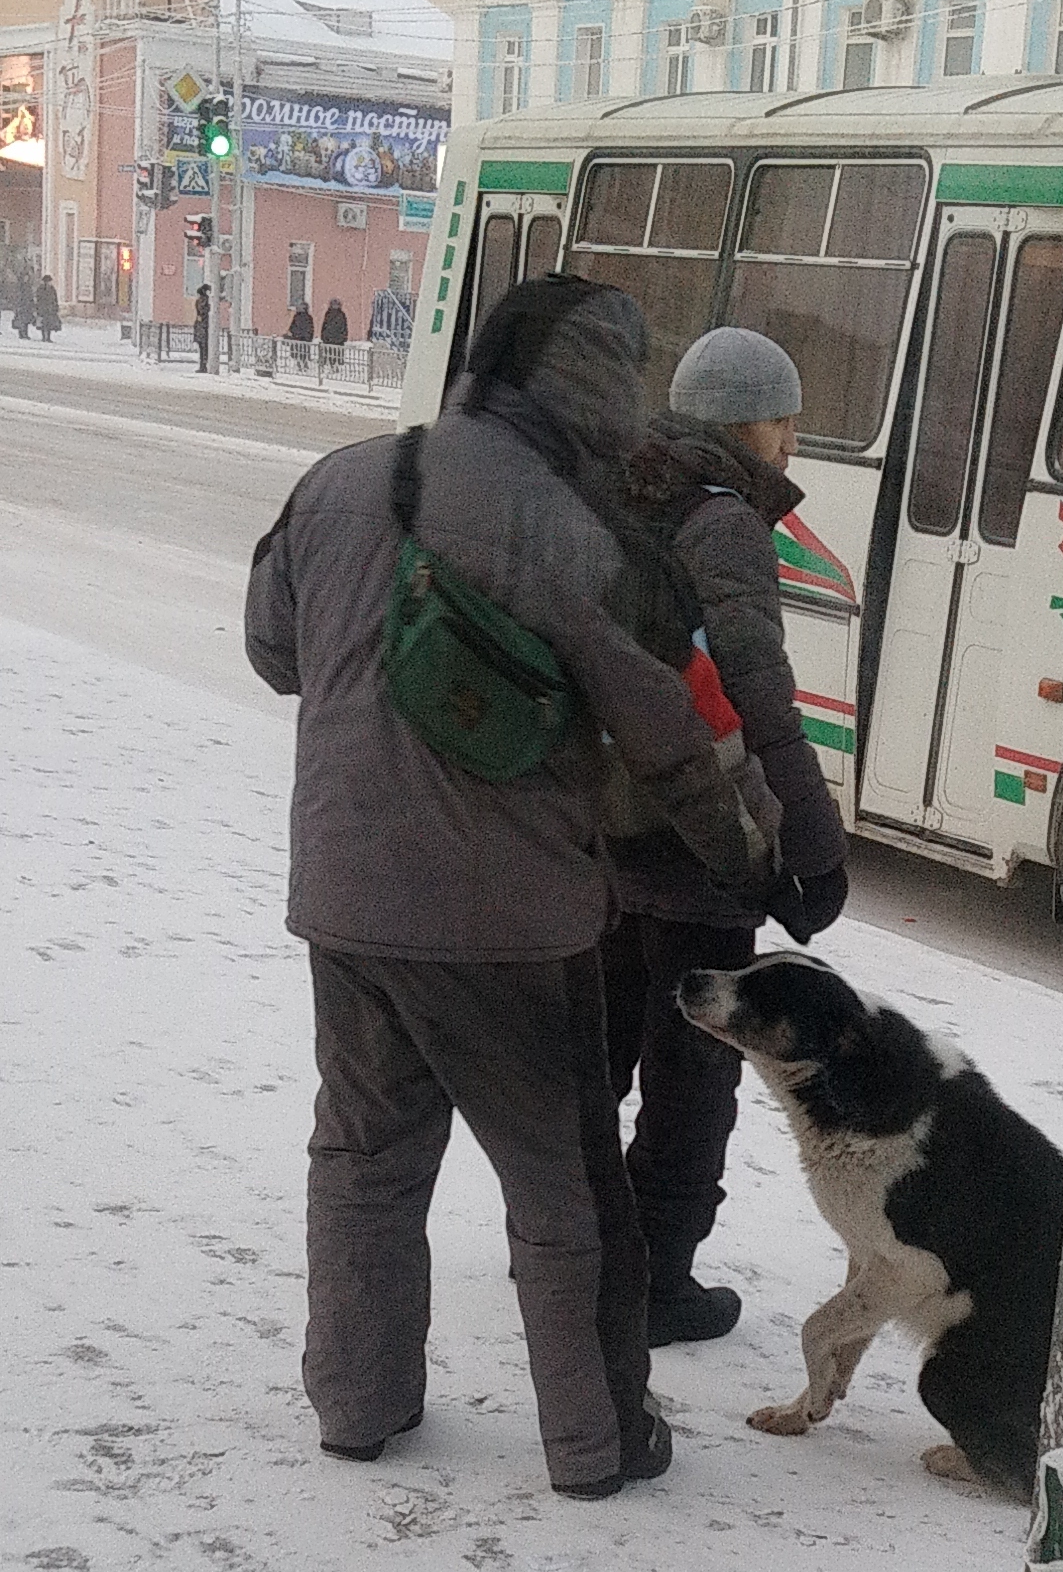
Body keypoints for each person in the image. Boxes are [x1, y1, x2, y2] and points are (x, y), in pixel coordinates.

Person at [244, 278, 773, 1500]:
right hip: (507, 929)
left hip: (345, 897)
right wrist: (750, 850)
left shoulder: (339, 479)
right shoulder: (572, 530)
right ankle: (596, 1442)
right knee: (566, 1185)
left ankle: (360, 1405)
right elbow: (660, 722)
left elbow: (273, 649)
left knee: (365, 1155)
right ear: (588, 393)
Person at [601, 326, 849, 1346]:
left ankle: (577, 1245)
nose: (793, 440)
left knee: (602, 1050)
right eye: (786, 419)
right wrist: (812, 842)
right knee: (695, 1068)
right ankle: (656, 1279)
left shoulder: (623, 495)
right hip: (703, 836)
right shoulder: (726, 524)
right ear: (748, 423)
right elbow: (758, 697)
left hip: (608, 827)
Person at [319, 296, 348, 370]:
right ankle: (335, 367)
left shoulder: (328, 314)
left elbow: (325, 326)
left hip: (329, 339)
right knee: (336, 355)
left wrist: (324, 336)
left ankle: (331, 367)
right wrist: (343, 337)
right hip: (338, 340)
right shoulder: (341, 314)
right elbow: (344, 327)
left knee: (329, 354)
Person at [34, 273, 59, 342]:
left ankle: (48, 337)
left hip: (50, 309)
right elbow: (38, 298)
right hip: (43, 308)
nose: (48, 283)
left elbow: (55, 299)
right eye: (47, 281)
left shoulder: (52, 289)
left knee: (50, 323)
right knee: (43, 323)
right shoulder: (41, 288)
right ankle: (43, 337)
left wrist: (56, 307)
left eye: (49, 281)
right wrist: (38, 307)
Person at [12, 272, 35, 339]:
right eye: (25, 277)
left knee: (26, 321)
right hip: (21, 305)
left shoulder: (28, 286)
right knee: (21, 320)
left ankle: (25, 333)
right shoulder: (20, 286)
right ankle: (22, 334)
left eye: (27, 277)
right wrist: (17, 305)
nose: (26, 279)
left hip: (27, 306)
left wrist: (32, 303)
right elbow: (17, 296)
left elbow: (30, 296)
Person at [194, 280, 211, 373]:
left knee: (203, 348)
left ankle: (203, 366)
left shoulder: (202, 301)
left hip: (202, 327)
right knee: (204, 348)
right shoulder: (205, 301)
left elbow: (200, 314)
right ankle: (203, 366)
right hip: (204, 327)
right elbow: (202, 313)